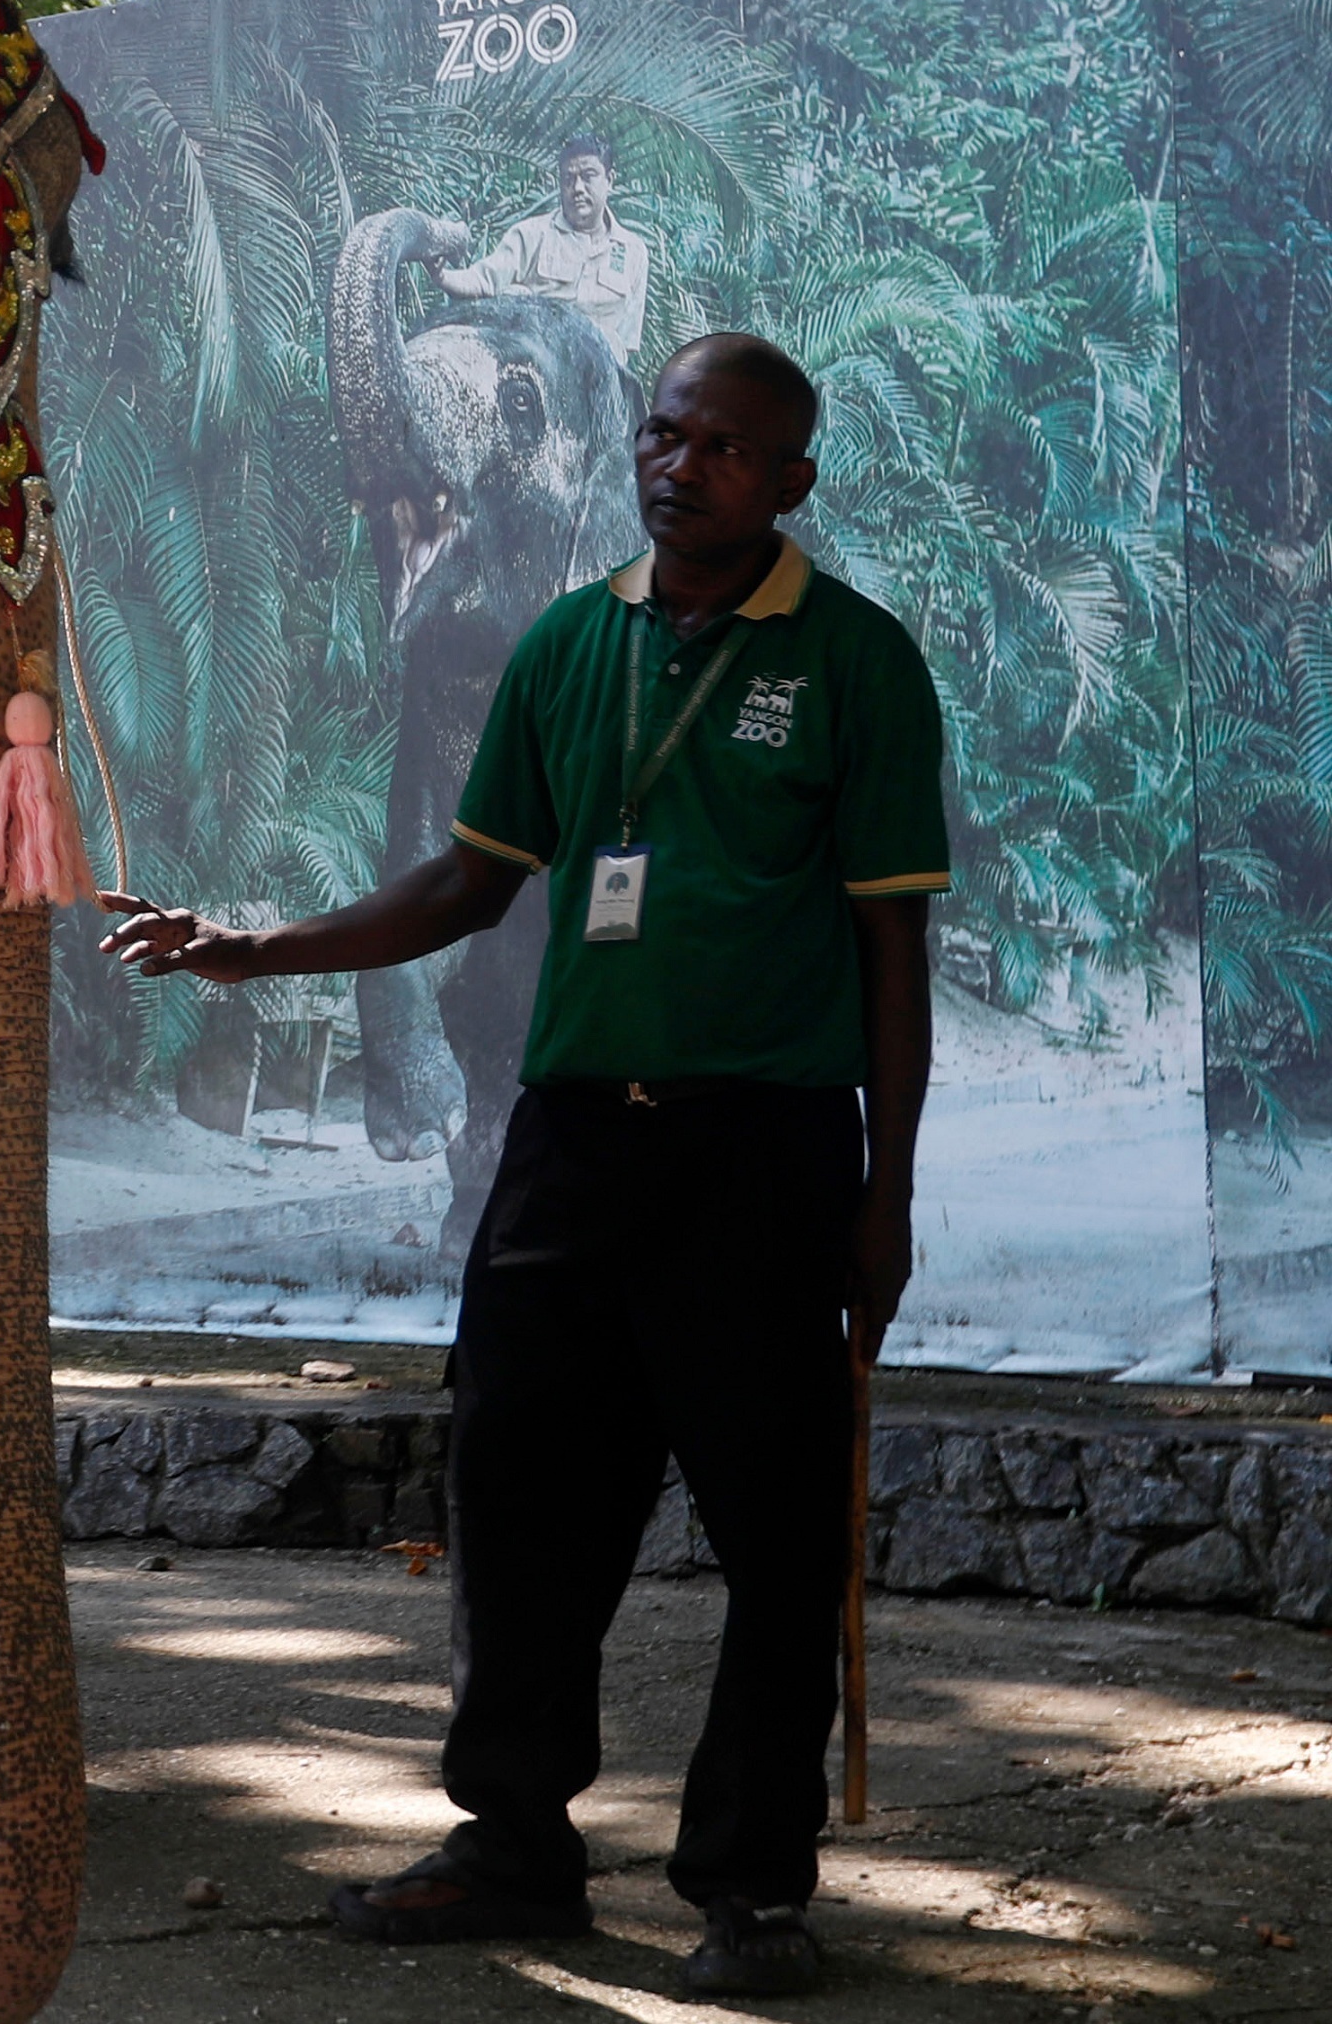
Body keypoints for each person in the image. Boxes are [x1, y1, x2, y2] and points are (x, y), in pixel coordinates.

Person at [102, 335, 944, 2000]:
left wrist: (886, 1195)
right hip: (569, 1144)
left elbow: (891, 951)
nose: (680, 461)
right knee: (520, 1503)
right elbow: (469, 886)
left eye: (725, 444)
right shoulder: (570, 643)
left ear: (793, 481)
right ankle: (514, 1848)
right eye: (664, 430)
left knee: (779, 1538)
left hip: (762, 1153)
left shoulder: (856, 663)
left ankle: (754, 1890)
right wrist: (249, 949)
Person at [438, 134, 652, 365]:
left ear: (609, 180)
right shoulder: (531, 235)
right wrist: (442, 276)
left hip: (599, 377)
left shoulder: (634, 252)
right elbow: (484, 279)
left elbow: (626, 344)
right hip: (537, 371)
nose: (577, 188)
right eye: (568, 179)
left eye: (588, 176)